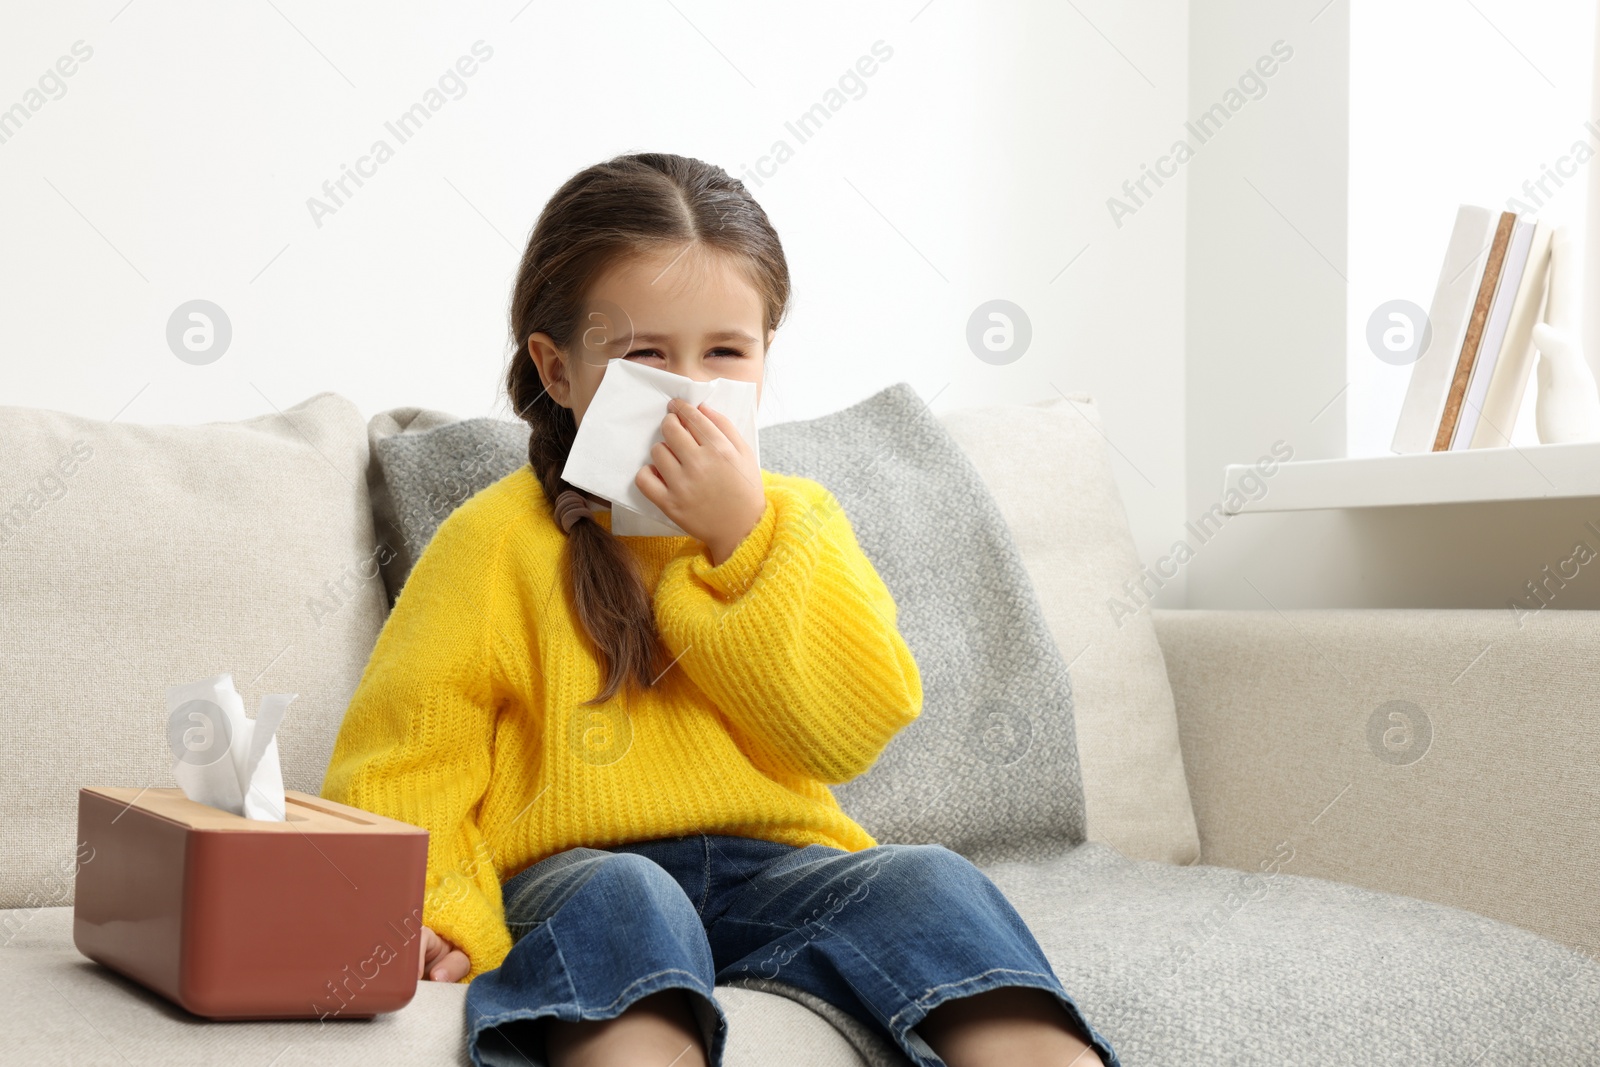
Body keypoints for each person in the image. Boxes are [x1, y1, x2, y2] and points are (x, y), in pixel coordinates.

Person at [321, 151, 1119, 1067]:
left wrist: (742, 545)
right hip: (578, 878)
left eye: (725, 354)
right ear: (560, 370)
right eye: (645, 356)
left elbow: (848, 728)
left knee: (930, 877)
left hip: (772, 871)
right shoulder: (494, 543)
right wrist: (440, 911)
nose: (687, 392)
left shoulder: (795, 521)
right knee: (630, 894)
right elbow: (407, 761)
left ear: (764, 363)